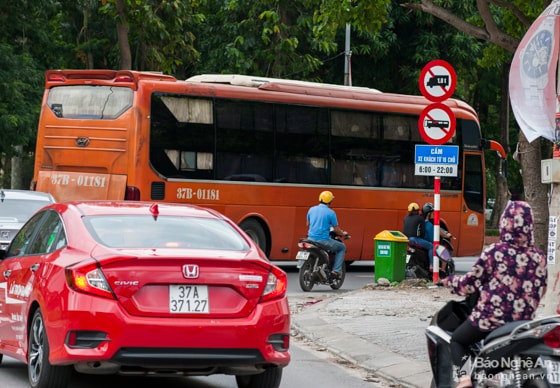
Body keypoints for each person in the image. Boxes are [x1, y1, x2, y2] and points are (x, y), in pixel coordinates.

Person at [441, 201, 547, 388]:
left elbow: (470, 284)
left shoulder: (496, 252)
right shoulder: (539, 257)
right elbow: (542, 289)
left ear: (504, 223)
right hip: (523, 324)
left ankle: (465, 379)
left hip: (491, 320)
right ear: (530, 225)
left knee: (457, 340)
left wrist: (449, 282)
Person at [306, 190, 349, 278]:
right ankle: (335, 271)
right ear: (330, 201)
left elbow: (308, 224)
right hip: (323, 240)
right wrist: (343, 234)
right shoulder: (331, 212)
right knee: (342, 248)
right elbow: (337, 230)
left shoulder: (311, 209)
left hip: (310, 239)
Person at [422, 202, 453, 271]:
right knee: (445, 254)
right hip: (432, 243)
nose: (433, 214)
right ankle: (442, 271)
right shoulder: (433, 223)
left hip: (422, 242)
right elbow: (441, 233)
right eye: (432, 212)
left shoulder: (420, 221)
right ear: (429, 213)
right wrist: (447, 235)